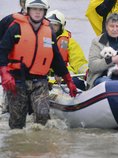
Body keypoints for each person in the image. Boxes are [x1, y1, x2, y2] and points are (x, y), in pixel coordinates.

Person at [0, 0, 77, 129]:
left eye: (40, 9)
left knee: (43, 116)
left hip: (40, 81)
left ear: (45, 12)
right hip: (17, 82)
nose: (37, 12)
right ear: (28, 10)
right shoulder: (15, 27)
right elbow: (2, 51)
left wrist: (69, 80)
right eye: (34, 9)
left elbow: (56, 58)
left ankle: (40, 146)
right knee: (17, 124)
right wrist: (4, 73)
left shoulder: (48, 31)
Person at [46, 10, 88, 91]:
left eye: (56, 25)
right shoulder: (40, 39)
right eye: (50, 25)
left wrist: (87, 71)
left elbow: (78, 61)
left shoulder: (69, 42)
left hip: (65, 77)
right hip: (46, 79)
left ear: (61, 26)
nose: (53, 27)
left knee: (80, 84)